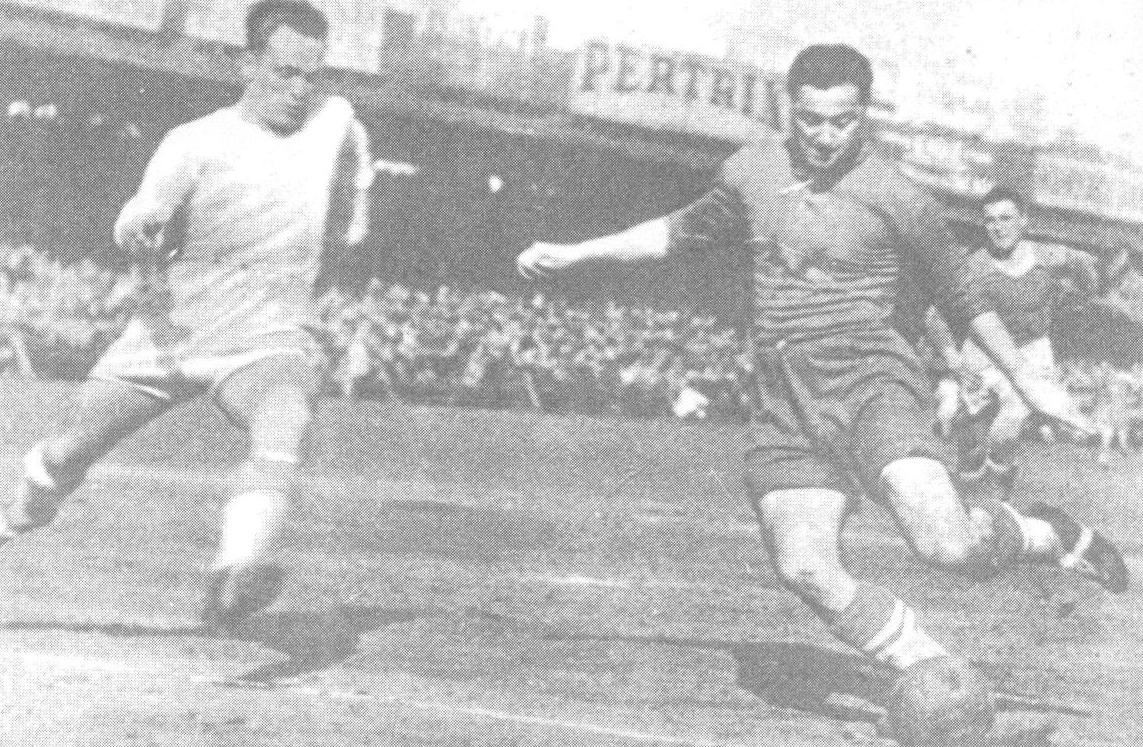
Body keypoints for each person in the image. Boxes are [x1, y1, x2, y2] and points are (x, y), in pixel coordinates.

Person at [517, 44, 1128, 692]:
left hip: (873, 384)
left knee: (947, 545)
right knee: (803, 566)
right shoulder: (751, 172)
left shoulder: (898, 196)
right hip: (786, 397)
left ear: (864, 114)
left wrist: (1031, 383)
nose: (825, 136)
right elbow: (676, 231)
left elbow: (963, 297)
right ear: (791, 109)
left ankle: (1049, 535)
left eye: (843, 121)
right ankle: (932, 673)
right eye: (811, 119)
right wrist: (576, 252)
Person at [0, 0, 373, 633]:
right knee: (67, 454)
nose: (300, 90)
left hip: (263, 341)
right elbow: (137, 215)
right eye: (284, 72)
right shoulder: (196, 143)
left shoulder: (335, 121)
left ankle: (236, 571)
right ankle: (16, 519)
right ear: (247, 63)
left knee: (285, 418)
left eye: (312, 75)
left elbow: (352, 168)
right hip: (168, 337)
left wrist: (353, 217)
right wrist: (139, 226)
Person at [927, 187, 1117, 498]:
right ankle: (968, 499)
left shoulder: (1050, 256)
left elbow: (1088, 271)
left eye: (1006, 218)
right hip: (983, 355)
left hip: (1031, 354)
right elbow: (935, 315)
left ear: (1024, 220)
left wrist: (1081, 300)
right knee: (972, 446)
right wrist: (953, 359)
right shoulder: (973, 266)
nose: (997, 227)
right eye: (990, 220)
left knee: (1008, 426)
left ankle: (996, 503)